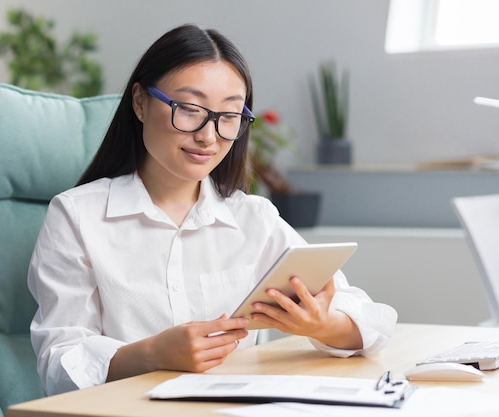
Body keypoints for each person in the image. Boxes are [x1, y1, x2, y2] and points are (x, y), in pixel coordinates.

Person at [27, 24, 398, 396]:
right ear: (140, 102)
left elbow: (372, 319)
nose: (209, 135)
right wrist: (153, 354)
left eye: (229, 116)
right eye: (189, 109)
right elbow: (60, 361)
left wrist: (322, 324)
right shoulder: (77, 216)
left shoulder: (253, 218)